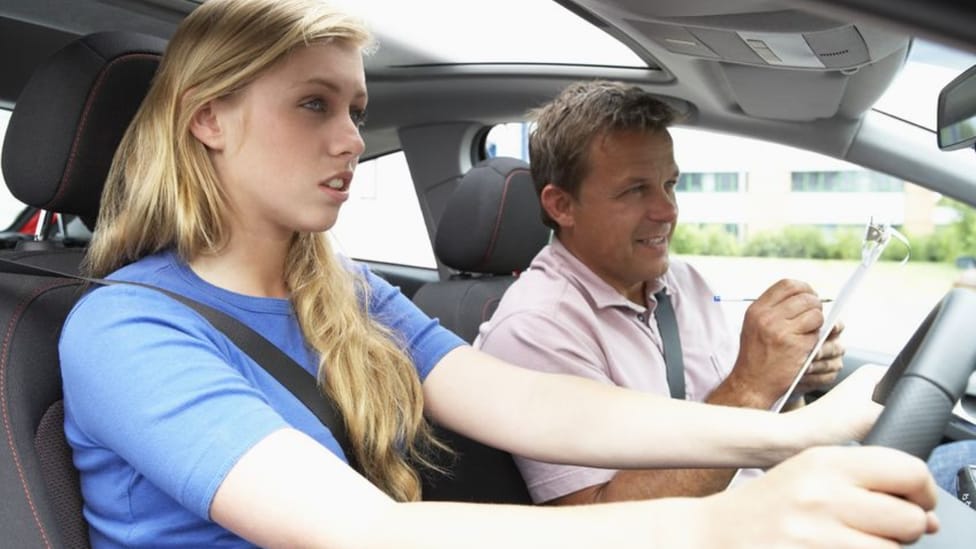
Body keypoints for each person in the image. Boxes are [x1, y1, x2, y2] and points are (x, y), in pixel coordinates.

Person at [58, 1, 939, 548]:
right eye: (313, 104)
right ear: (209, 119)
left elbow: (531, 403)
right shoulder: (127, 332)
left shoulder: (343, 289)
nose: (353, 138)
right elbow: (363, 531)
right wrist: (724, 526)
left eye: (356, 109)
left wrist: (788, 436)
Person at [475, 79, 976, 505]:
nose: (667, 211)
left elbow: (759, 431)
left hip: (787, 493)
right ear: (562, 205)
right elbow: (596, 523)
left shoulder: (684, 283)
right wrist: (751, 386)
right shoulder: (534, 330)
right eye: (635, 190)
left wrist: (791, 380)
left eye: (670, 185)